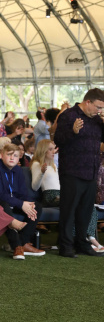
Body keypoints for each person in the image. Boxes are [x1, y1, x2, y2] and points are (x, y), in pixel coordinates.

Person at [54, 88, 104, 258]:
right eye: (98, 107)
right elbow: (58, 140)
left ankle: (82, 244)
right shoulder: (69, 115)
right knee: (68, 211)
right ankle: (65, 246)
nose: (100, 111)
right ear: (88, 102)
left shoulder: (97, 120)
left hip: (91, 171)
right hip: (72, 171)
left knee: (85, 212)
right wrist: (73, 132)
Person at [0, 144, 45, 260]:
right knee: (4, 207)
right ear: (2, 155)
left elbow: (23, 193)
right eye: (9, 155)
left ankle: (23, 243)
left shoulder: (18, 170)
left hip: (12, 202)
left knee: (36, 206)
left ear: (19, 158)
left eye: (15, 156)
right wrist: (21, 204)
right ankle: (16, 246)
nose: (12, 158)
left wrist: (27, 205)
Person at [30, 140, 60, 204]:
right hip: (50, 196)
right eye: (50, 149)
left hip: (59, 195)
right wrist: (42, 173)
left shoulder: (54, 165)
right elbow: (34, 187)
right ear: (43, 151)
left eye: (54, 149)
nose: (53, 152)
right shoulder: (37, 164)